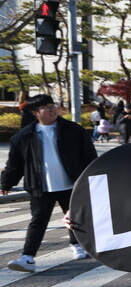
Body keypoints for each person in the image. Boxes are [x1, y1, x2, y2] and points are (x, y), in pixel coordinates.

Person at [2, 94, 98, 271]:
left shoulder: (73, 130)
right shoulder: (23, 137)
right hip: (41, 186)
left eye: (52, 105)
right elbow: (15, 164)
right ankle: (28, 257)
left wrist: (93, 177)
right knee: (38, 220)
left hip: (72, 183)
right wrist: (6, 183)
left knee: (74, 216)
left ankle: (76, 244)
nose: (52, 109)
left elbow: (89, 156)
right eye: (46, 107)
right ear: (35, 112)